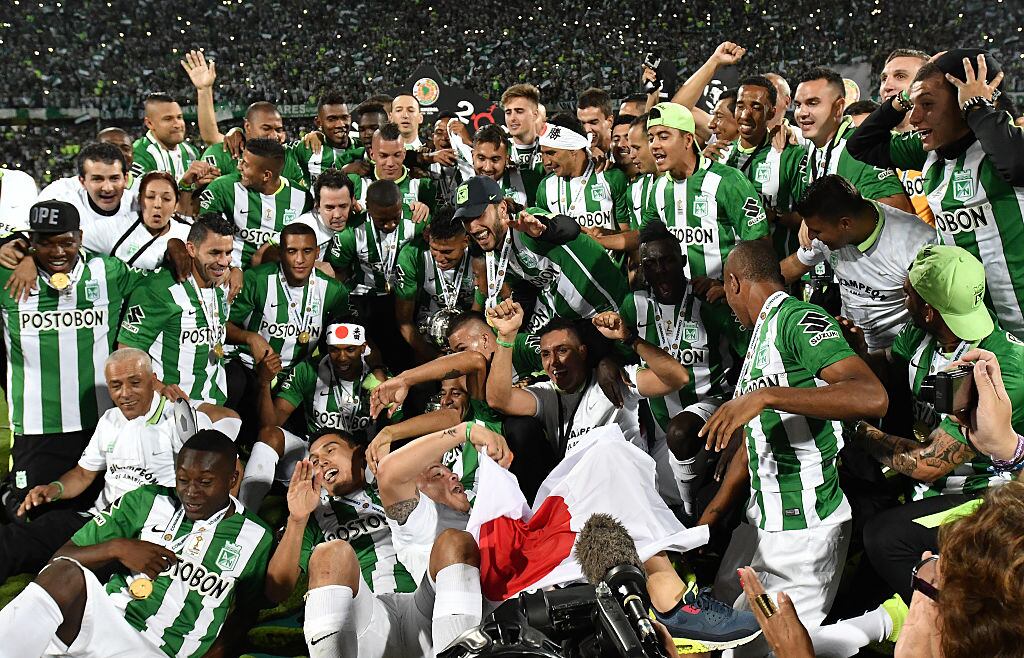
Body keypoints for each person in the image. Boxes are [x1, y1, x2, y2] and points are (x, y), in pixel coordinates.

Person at [705, 240, 888, 655]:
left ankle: (876, 627)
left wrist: (767, 397)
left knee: (772, 652)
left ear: (733, 282)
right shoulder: (760, 336)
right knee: (719, 643)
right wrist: (711, 516)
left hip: (804, 530)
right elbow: (758, 440)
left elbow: (870, 395)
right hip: (762, 524)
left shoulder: (797, 318)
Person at [0, 430, 273, 658]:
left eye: (204, 482)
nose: (191, 492)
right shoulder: (146, 500)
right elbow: (61, 559)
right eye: (182, 480)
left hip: (160, 650)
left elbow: (244, 616)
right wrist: (117, 547)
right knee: (64, 573)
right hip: (106, 622)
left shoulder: (256, 536)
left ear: (232, 480)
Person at [0, 348, 239, 583]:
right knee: (16, 540)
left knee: (76, 579)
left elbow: (227, 461)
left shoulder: (180, 420)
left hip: (148, 532)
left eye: (135, 383)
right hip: (99, 520)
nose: (125, 393)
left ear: (153, 381)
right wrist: (55, 489)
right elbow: (83, 474)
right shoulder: (109, 420)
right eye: (116, 385)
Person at [847, 48, 1024, 338]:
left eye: (927, 104)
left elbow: (1016, 164)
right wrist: (904, 99)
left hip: (1018, 321)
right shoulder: (927, 152)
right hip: (967, 324)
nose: (915, 117)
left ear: (962, 102)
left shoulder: (1006, 148)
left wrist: (978, 106)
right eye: (913, 105)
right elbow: (860, 145)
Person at [267, 430, 481, 658]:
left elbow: (449, 420)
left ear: (359, 453)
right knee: (330, 552)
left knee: (455, 540)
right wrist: (297, 520)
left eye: (330, 450)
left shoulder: (399, 487)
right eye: (315, 461)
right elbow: (276, 591)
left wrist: (391, 433)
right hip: (365, 623)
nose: (323, 462)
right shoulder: (314, 515)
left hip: (428, 610)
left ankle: (461, 652)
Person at [0, 201, 152, 521]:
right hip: (38, 423)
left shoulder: (108, 271)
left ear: (80, 238)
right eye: (45, 243)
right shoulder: (8, 275)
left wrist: (180, 248)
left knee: (94, 510)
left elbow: (155, 283)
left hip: (98, 420)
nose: (57, 252)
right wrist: (11, 248)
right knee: (30, 510)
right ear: (32, 241)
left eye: (66, 242)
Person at [619, 220, 749, 518]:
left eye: (667, 261)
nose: (659, 270)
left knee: (681, 435)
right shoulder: (634, 305)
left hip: (713, 408)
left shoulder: (709, 301)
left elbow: (747, 355)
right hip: (660, 426)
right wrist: (604, 364)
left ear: (683, 261)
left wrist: (741, 417)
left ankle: (691, 515)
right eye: (649, 264)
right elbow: (617, 352)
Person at [484, 298, 689, 459]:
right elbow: (499, 400)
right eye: (546, 354)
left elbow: (677, 378)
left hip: (627, 490)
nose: (553, 362)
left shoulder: (617, 380)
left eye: (562, 350)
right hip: (581, 498)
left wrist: (629, 338)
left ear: (582, 352)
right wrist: (506, 336)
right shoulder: (547, 395)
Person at [238, 321, 392, 511]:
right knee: (271, 435)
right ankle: (244, 513)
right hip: (315, 458)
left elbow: (398, 429)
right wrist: (263, 383)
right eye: (335, 350)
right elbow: (270, 425)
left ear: (363, 348)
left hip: (362, 462)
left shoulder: (381, 379)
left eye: (350, 349)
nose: (342, 357)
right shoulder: (308, 370)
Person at [455, 175, 628, 332]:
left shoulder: (526, 223)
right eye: (465, 220)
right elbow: (525, 289)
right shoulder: (498, 251)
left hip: (611, 309)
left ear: (502, 209)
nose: (473, 227)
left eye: (479, 215)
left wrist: (544, 230)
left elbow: (570, 228)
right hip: (578, 321)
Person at [781, 175, 936, 350]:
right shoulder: (828, 225)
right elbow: (793, 266)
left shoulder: (916, 244)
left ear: (845, 224)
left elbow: (930, 314)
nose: (810, 237)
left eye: (816, 231)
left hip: (899, 352)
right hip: (849, 345)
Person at [641, 102, 769, 284]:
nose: (654, 145)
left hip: (723, 301)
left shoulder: (728, 180)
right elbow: (643, 236)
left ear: (687, 140)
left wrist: (726, 286)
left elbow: (760, 243)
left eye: (663, 137)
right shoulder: (659, 188)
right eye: (651, 138)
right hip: (680, 300)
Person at [119, 214, 235, 405]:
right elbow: (127, 352)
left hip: (214, 399)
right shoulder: (158, 290)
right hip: (170, 405)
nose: (223, 262)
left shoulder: (222, 285)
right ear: (191, 248)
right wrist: (158, 387)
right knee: (232, 421)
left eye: (228, 253)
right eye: (215, 253)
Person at [227, 221, 351, 376]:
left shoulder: (334, 290)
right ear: (280, 253)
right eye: (292, 251)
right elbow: (224, 325)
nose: (300, 259)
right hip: (251, 367)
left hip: (300, 375)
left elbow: (344, 335)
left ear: (317, 252)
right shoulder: (257, 280)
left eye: (307, 251)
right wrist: (249, 337)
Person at [791, 67, 912, 213]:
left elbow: (898, 209)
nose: (802, 113)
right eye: (798, 105)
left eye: (812, 103)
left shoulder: (860, 148)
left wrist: (828, 219)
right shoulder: (814, 146)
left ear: (838, 107)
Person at [721, 76, 805, 258]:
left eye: (756, 107)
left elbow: (809, 218)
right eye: (740, 106)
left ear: (771, 112)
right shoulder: (720, 156)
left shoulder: (790, 155)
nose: (745, 114)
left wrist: (775, 216)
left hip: (776, 267)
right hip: (727, 269)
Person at [198, 137, 313, 268]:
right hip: (230, 272)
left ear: (266, 176)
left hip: (278, 276)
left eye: (245, 164)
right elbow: (201, 231)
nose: (238, 166)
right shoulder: (223, 188)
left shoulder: (302, 198)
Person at [395, 206, 477, 363]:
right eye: (434, 249)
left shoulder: (479, 254)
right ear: (428, 238)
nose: (439, 258)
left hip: (470, 327)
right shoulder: (413, 255)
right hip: (426, 327)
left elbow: (478, 317)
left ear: (465, 241)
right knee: (422, 379)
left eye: (447, 252)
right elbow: (404, 321)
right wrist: (437, 359)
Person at [535, 113, 631, 240]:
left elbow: (630, 234)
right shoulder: (545, 187)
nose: (546, 162)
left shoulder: (612, 177)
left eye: (551, 153)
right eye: (543, 154)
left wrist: (607, 236)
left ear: (573, 149)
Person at [77, 171, 193, 270]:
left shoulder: (188, 234)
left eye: (166, 199)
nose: (157, 205)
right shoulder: (117, 227)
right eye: (150, 197)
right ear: (139, 200)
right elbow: (73, 239)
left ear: (176, 204)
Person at [875, 48, 934, 225]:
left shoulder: (944, 142)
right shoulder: (877, 146)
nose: (887, 86)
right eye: (884, 78)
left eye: (900, 76)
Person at [345, 123, 435, 223]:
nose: (390, 163)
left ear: (404, 154)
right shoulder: (355, 183)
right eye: (383, 156)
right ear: (372, 155)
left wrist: (427, 214)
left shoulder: (424, 186)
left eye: (397, 155)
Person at [37, 142, 136, 226]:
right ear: (82, 181)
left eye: (114, 178)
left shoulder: (139, 207)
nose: (107, 188)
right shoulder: (60, 197)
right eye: (97, 179)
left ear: (125, 179)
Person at [292, 90, 363, 183]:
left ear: (350, 118)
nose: (340, 124)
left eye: (344, 117)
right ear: (318, 122)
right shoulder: (307, 148)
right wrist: (344, 172)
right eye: (332, 119)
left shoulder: (363, 146)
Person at [130, 92, 201, 181]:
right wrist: (186, 185)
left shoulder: (191, 152)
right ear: (150, 123)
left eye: (179, 117)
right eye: (168, 119)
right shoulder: (139, 153)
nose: (177, 124)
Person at [470, 124, 542, 208]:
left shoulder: (528, 179)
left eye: (495, 159)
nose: (487, 168)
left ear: (507, 159)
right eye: (481, 158)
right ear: (472, 156)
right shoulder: (458, 179)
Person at [295, 168, 356, 255]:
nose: (337, 215)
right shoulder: (301, 229)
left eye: (343, 206)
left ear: (352, 201)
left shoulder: (361, 222)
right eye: (329, 208)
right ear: (317, 206)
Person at [501, 83, 545, 172]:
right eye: (508, 112)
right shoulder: (499, 149)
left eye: (519, 111)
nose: (512, 118)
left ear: (535, 115)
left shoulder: (548, 148)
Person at [575, 87, 614, 154]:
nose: (587, 130)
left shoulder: (623, 150)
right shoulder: (576, 151)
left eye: (593, 122)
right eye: (582, 123)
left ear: (609, 122)